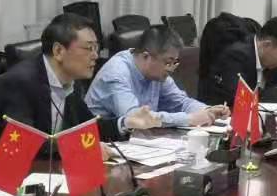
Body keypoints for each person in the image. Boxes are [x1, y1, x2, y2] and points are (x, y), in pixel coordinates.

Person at [0, 13, 161, 157]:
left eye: (96, 48)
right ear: (59, 51)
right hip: (8, 178)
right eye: (89, 48)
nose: (95, 56)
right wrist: (80, 147)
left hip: (52, 175)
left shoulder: (71, 81)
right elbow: (23, 145)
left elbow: (88, 128)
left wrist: (126, 123)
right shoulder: (19, 82)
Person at [85, 25, 226, 128]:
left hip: (135, 143)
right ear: (146, 57)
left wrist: (208, 111)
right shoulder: (117, 74)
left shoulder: (157, 74)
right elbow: (135, 119)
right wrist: (189, 119)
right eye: (168, 62)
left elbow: (181, 102)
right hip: (100, 144)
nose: (171, 68)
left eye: (175, 62)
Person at [199, 15, 277, 106]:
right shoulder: (236, 56)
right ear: (267, 45)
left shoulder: (269, 60)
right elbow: (239, 96)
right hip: (220, 115)